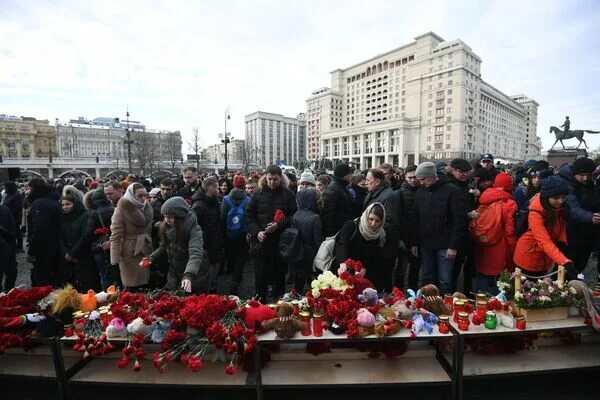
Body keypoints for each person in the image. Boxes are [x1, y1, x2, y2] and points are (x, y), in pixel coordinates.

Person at [410, 162, 467, 295]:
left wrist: (453, 246)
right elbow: (415, 218)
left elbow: (459, 221)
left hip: (445, 244)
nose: (421, 182)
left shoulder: (452, 191)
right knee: (427, 279)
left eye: (423, 179)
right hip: (425, 243)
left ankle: (444, 310)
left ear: (432, 176)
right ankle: (427, 307)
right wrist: (414, 242)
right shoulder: (421, 192)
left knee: (445, 281)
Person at [246, 165, 297, 301]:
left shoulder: (288, 194)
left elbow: (293, 216)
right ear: (265, 178)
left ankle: (278, 302)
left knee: (279, 274)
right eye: (269, 179)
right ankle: (260, 303)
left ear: (281, 178)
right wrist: (257, 232)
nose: (272, 182)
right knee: (260, 275)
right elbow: (249, 216)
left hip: (280, 241)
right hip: (261, 242)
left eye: (275, 179)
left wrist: (278, 224)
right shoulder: (258, 194)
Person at [514, 176, 573, 276]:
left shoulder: (559, 209)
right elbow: (544, 241)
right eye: (556, 198)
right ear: (546, 197)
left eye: (563, 197)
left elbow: (561, 227)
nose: (560, 201)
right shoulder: (535, 214)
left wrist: (562, 242)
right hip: (528, 258)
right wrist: (564, 262)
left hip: (545, 258)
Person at [149, 197, 208, 293]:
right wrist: (151, 259)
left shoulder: (194, 229)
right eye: (165, 216)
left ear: (180, 216)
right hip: (175, 272)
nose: (167, 220)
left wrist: (189, 275)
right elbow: (163, 246)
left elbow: (195, 253)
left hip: (195, 275)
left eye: (171, 217)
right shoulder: (168, 227)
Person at [473, 173, 517, 294]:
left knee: (482, 275)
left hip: (484, 242)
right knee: (499, 281)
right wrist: (513, 249)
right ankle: (495, 307)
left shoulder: (485, 198)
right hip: (500, 246)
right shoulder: (510, 204)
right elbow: (510, 232)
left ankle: (478, 302)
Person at [557, 157, 599, 280]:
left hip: (586, 232)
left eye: (588, 175)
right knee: (565, 266)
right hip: (570, 232)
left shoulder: (590, 183)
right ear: (575, 173)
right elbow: (572, 208)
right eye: (581, 175)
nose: (585, 178)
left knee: (580, 264)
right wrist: (591, 217)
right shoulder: (565, 183)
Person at [334, 203, 390, 291]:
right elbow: (342, 244)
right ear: (366, 216)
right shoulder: (351, 226)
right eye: (371, 219)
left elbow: (378, 259)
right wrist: (342, 263)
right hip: (342, 272)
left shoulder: (380, 236)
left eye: (377, 221)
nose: (373, 223)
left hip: (363, 280)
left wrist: (366, 270)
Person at [110, 183, 153, 290]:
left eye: (145, 195)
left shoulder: (146, 207)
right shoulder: (121, 210)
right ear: (131, 195)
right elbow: (115, 236)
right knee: (132, 285)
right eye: (139, 196)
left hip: (145, 248)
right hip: (129, 251)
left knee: (146, 285)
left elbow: (148, 230)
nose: (143, 198)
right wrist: (114, 260)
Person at [59, 186, 99, 292]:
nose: (65, 207)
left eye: (68, 204)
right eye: (63, 205)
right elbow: (60, 238)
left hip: (83, 255)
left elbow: (85, 236)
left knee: (88, 283)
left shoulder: (84, 216)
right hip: (67, 257)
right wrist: (66, 253)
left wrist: (72, 253)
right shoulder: (62, 218)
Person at [26, 179, 62, 287]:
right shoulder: (52, 200)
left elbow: (40, 230)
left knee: (44, 283)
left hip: (43, 251)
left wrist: (32, 250)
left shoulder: (39, 204)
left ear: (33, 189)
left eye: (29, 188)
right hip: (55, 248)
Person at [448, 158, 476, 294]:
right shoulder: (449, 186)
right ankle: (453, 293)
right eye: (461, 172)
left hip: (467, 231)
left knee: (469, 264)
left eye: (467, 172)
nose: (465, 174)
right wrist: (467, 215)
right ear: (452, 170)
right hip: (454, 232)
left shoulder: (467, 185)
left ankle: (467, 290)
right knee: (454, 267)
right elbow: (450, 214)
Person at [192, 177, 225, 292]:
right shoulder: (199, 206)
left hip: (215, 245)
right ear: (210, 188)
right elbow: (195, 228)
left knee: (214, 274)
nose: (219, 190)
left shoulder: (213, 202)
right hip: (207, 247)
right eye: (217, 187)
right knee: (208, 277)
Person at [84, 187, 117, 289]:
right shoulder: (114, 209)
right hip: (115, 245)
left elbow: (89, 234)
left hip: (100, 247)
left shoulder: (94, 213)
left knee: (104, 274)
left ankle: (108, 297)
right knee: (116, 273)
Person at [291, 188, 323, 292]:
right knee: (312, 281)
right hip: (310, 253)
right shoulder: (315, 217)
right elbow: (317, 240)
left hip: (298, 251)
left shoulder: (295, 215)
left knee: (298, 279)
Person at [221, 181, 250, 294]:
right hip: (243, 234)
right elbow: (249, 217)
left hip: (229, 234)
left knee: (231, 256)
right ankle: (236, 279)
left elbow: (223, 217)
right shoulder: (247, 200)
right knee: (241, 257)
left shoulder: (226, 199)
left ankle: (232, 273)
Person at [397, 165, 421, 291]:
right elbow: (398, 218)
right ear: (405, 177)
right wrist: (399, 238)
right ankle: (398, 295)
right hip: (404, 237)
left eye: (415, 177)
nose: (413, 180)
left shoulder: (423, 191)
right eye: (410, 177)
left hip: (418, 237)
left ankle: (413, 295)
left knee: (415, 271)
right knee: (401, 270)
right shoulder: (399, 193)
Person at [322, 164, 354, 237]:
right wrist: (331, 236)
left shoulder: (342, 187)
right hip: (336, 232)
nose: (352, 176)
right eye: (350, 174)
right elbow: (327, 216)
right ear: (345, 175)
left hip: (342, 229)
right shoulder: (333, 189)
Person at [2, 182, 23, 253]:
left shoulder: (16, 195)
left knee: (16, 231)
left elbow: (18, 207)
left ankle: (19, 246)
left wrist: (8, 211)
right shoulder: (9, 194)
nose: (4, 188)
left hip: (14, 217)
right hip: (9, 216)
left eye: (5, 187)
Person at [0, 202, 17, 291]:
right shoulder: (5, 209)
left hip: (5, 246)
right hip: (7, 246)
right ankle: (8, 291)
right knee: (11, 271)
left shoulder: (4, 209)